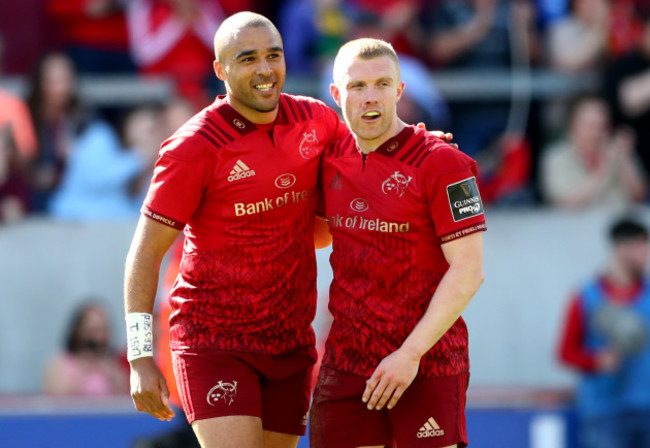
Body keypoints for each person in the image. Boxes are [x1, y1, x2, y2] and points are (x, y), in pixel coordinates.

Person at [123, 11, 349, 448]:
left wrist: (414, 146)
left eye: (274, 55)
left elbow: (363, 164)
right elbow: (144, 253)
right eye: (247, 59)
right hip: (214, 342)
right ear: (220, 70)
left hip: (290, 340)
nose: (265, 70)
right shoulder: (193, 147)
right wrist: (139, 355)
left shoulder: (317, 120)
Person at [310, 38, 486, 448]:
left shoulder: (447, 164)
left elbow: (469, 270)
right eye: (357, 86)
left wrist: (409, 354)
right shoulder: (325, 160)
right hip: (348, 364)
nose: (370, 97)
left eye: (382, 84)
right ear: (336, 95)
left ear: (400, 91)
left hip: (429, 362)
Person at [557, 216, 650, 448]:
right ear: (621, 247)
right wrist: (596, 362)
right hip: (604, 414)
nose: (646, 255)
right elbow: (565, 352)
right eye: (642, 246)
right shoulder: (586, 296)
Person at [540, 94, 647, 208]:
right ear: (572, 127)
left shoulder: (620, 152)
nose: (597, 133)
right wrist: (604, 170)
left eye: (602, 126)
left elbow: (639, 197)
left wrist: (623, 159)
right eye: (590, 126)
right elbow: (566, 203)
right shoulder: (556, 157)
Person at [43, 302, 129, 396]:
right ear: (79, 331)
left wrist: (112, 375)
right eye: (93, 330)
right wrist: (82, 372)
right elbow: (54, 398)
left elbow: (124, 398)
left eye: (104, 330)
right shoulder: (59, 364)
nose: (99, 338)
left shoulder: (114, 365)